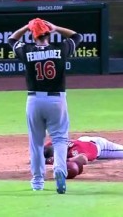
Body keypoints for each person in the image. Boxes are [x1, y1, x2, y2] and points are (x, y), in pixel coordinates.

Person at [8, 18, 82, 194]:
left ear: (33, 37)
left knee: (36, 143)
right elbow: (76, 36)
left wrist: (27, 26)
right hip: (57, 100)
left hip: (34, 100)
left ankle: (37, 182)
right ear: (48, 34)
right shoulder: (60, 49)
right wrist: (56, 27)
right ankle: (59, 171)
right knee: (59, 139)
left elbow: (12, 39)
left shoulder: (27, 51)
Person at [44, 136, 123, 164]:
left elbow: (83, 159)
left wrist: (62, 160)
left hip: (101, 146)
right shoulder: (54, 143)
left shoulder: (78, 150)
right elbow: (42, 150)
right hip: (85, 139)